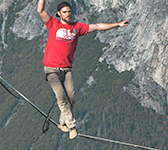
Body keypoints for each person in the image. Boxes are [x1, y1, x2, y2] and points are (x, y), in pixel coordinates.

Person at [36, 0, 129, 139]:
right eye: (64, 12)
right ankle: (72, 126)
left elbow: (97, 26)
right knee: (61, 96)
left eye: (69, 11)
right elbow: (40, 10)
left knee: (71, 98)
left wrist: (117, 25)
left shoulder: (77, 27)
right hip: (51, 69)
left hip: (66, 69)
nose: (67, 14)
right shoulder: (53, 24)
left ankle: (62, 123)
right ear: (58, 14)